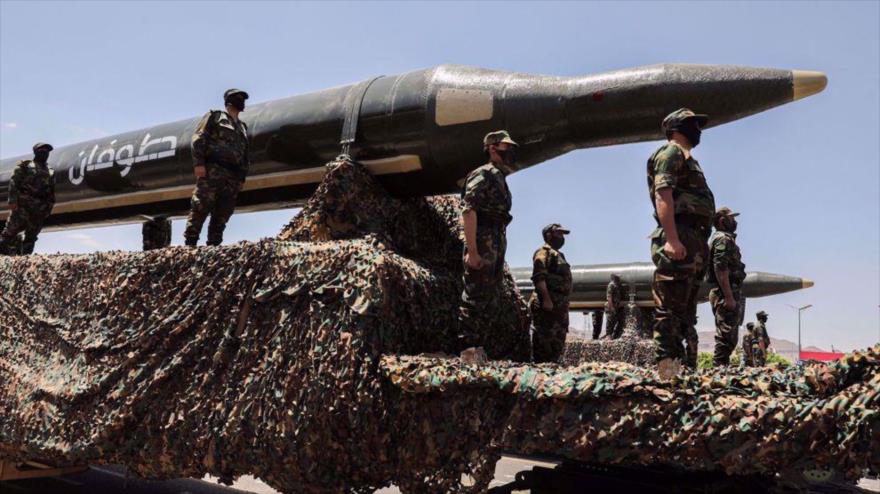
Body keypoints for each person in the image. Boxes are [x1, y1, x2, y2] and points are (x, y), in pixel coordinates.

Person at [647, 108, 715, 371]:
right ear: (676, 127)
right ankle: (668, 375)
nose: (698, 129)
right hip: (680, 237)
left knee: (685, 316)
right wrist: (672, 240)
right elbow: (662, 194)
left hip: (693, 240)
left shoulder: (687, 158)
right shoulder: (671, 152)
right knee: (670, 314)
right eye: (692, 124)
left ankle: (682, 374)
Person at [457, 130, 518, 351]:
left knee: (490, 298)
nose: (511, 151)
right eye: (506, 146)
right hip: (483, 240)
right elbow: (468, 209)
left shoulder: (499, 177)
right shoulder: (483, 174)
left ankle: (480, 349)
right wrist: (472, 251)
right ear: (493, 148)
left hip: (495, 239)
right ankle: (468, 350)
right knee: (475, 297)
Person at [184, 88, 251, 247]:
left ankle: (214, 245)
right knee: (201, 206)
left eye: (243, 99)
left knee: (223, 212)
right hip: (213, 170)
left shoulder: (242, 127)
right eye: (238, 98)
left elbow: (245, 154)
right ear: (229, 100)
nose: (241, 102)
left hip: (232, 176)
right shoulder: (215, 116)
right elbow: (198, 139)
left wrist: (241, 177)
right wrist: (199, 164)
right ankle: (190, 243)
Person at [0, 143, 56, 255]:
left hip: (39, 208)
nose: (45, 152)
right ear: (35, 152)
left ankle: (25, 257)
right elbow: (14, 183)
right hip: (23, 206)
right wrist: (12, 201)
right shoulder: (25, 166)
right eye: (42, 150)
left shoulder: (50, 171)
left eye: (47, 151)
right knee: (10, 231)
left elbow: (51, 192)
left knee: (32, 235)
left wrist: (48, 208)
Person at [708, 207, 747, 366]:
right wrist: (729, 296)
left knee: (730, 338)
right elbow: (720, 267)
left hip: (728, 291)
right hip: (725, 293)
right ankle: (718, 371)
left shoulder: (724, 239)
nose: (735, 221)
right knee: (725, 338)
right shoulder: (722, 239)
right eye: (732, 218)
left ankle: (721, 368)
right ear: (723, 221)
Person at [530, 224, 572, 362]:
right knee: (544, 344)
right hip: (548, 308)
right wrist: (546, 299)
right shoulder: (543, 253)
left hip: (559, 308)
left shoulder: (560, 255)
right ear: (549, 235)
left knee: (557, 345)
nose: (562, 237)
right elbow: (539, 277)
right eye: (559, 234)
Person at [604, 274, 624, 339]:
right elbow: (609, 297)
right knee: (610, 320)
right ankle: (608, 335)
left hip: (616, 306)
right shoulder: (611, 285)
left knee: (616, 320)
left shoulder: (617, 285)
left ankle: (613, 335)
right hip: (611, 305)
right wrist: (611, 306)